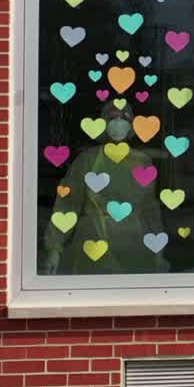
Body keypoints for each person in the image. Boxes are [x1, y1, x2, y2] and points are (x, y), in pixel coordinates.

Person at [45, 100, 168, 275]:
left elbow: (150, 209)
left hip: (133, 246)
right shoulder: (87, 160)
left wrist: (159, 253)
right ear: (103, 123)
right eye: (112, 117)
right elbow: (68, 204)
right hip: (93, 242)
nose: (118, 122)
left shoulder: (142, 161)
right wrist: (54, 248)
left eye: (123, 117)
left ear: (131, 124)